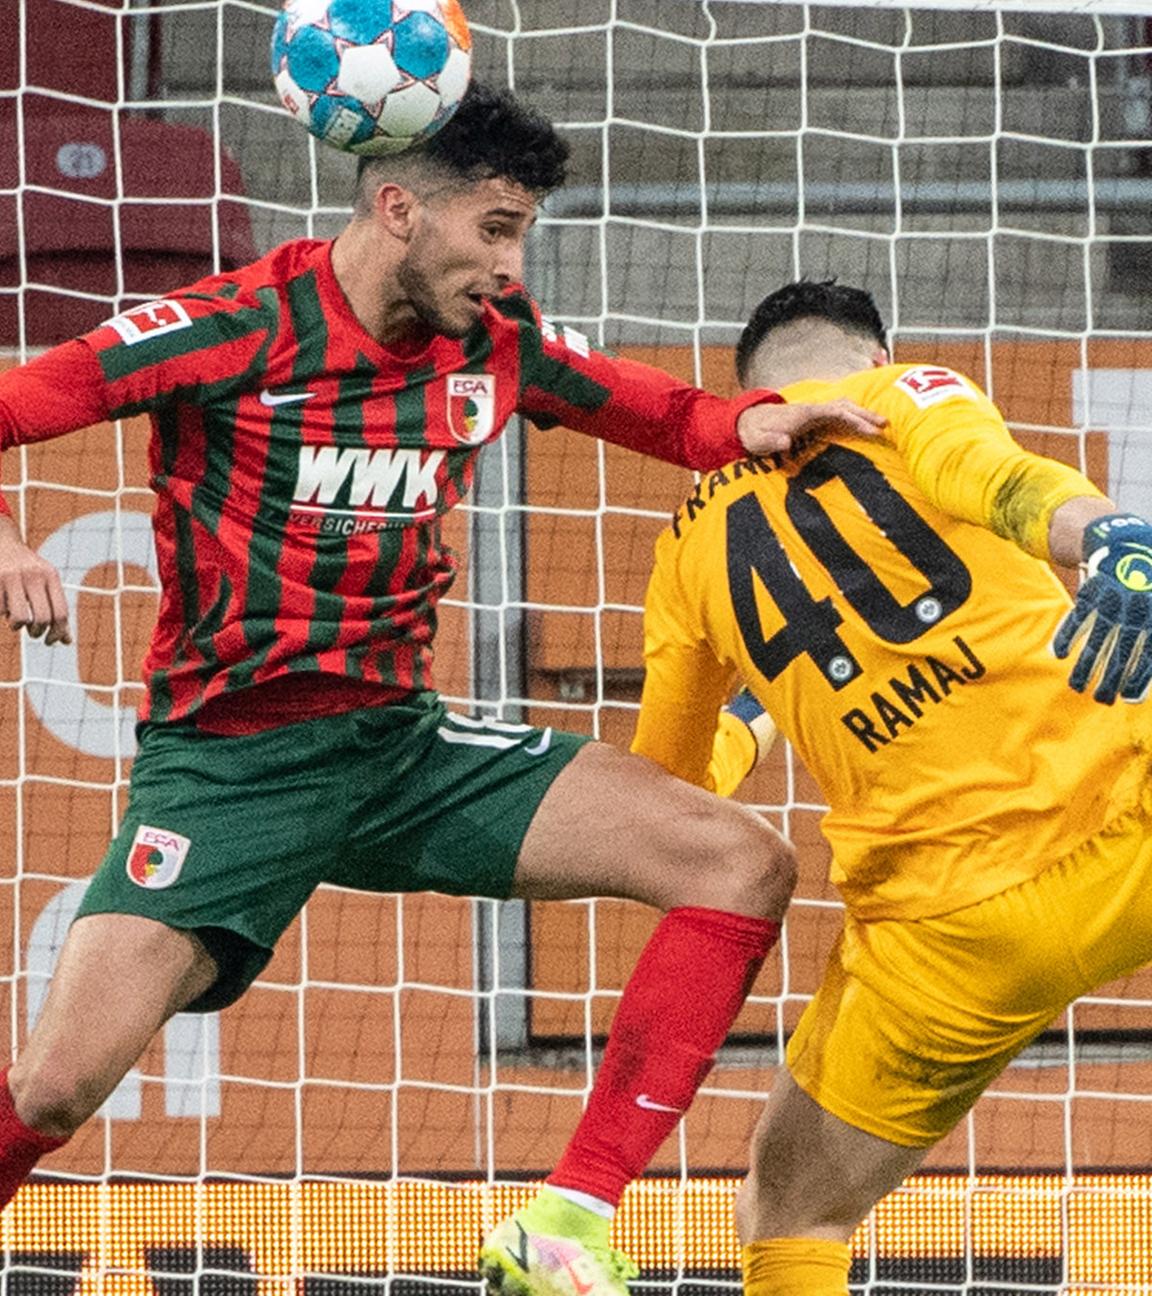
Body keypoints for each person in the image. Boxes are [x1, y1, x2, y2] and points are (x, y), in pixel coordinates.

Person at [0, 87, 886, 1290]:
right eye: (498, 229)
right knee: (54, 1087)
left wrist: (762, 418)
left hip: (403, 751)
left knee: (742, 860)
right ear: (399, 205)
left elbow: (665, 412)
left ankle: (567, 1218)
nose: (513, 264)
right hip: (228, 769)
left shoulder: (497, 338)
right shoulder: (230, 326)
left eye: (522, 235)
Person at [631, 278, 1152, 1296]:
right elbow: (992, 476)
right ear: (869, 357)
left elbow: (671, 787)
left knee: (790, 1210)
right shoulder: (907, 394)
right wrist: (1108, 538)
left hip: (949, 936)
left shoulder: (687, 552)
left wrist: (753, 717)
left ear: (751, 399)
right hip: (1125, 809)